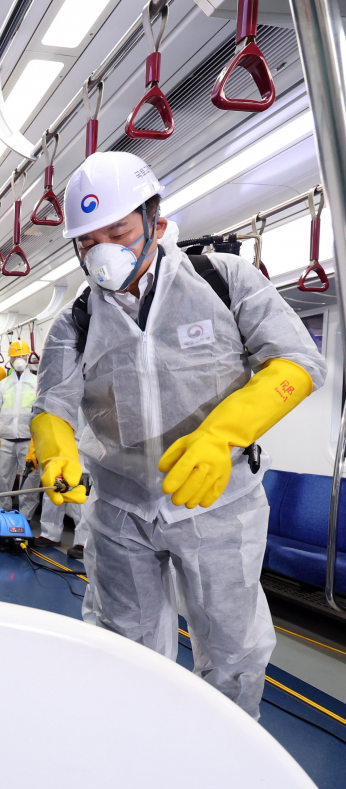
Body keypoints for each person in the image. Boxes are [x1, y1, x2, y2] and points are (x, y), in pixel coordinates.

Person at [30, 151, 325, 719]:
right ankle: (140, 748)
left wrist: (221, 436)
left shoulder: (222, 279)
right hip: (120, 510)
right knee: (125, 642)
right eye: (88, 240)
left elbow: (296, 363)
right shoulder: (76, 321)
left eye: (117, 232)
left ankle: (219, 755)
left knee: (233, 647)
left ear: (156, 224)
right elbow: (52, 405)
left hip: (219, 503)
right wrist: (56, 449)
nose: (102, 250)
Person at [0, 340, 36, 512]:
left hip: (29, 441)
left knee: (29, 482)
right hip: (6, 440)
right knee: (2, 480)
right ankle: (2, 513)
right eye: (16, 356)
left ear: (28, 357)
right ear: (10, 359)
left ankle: (25, 517)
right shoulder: (4, 384)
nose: (19, 359)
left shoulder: (37, 383)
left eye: (22, 356)